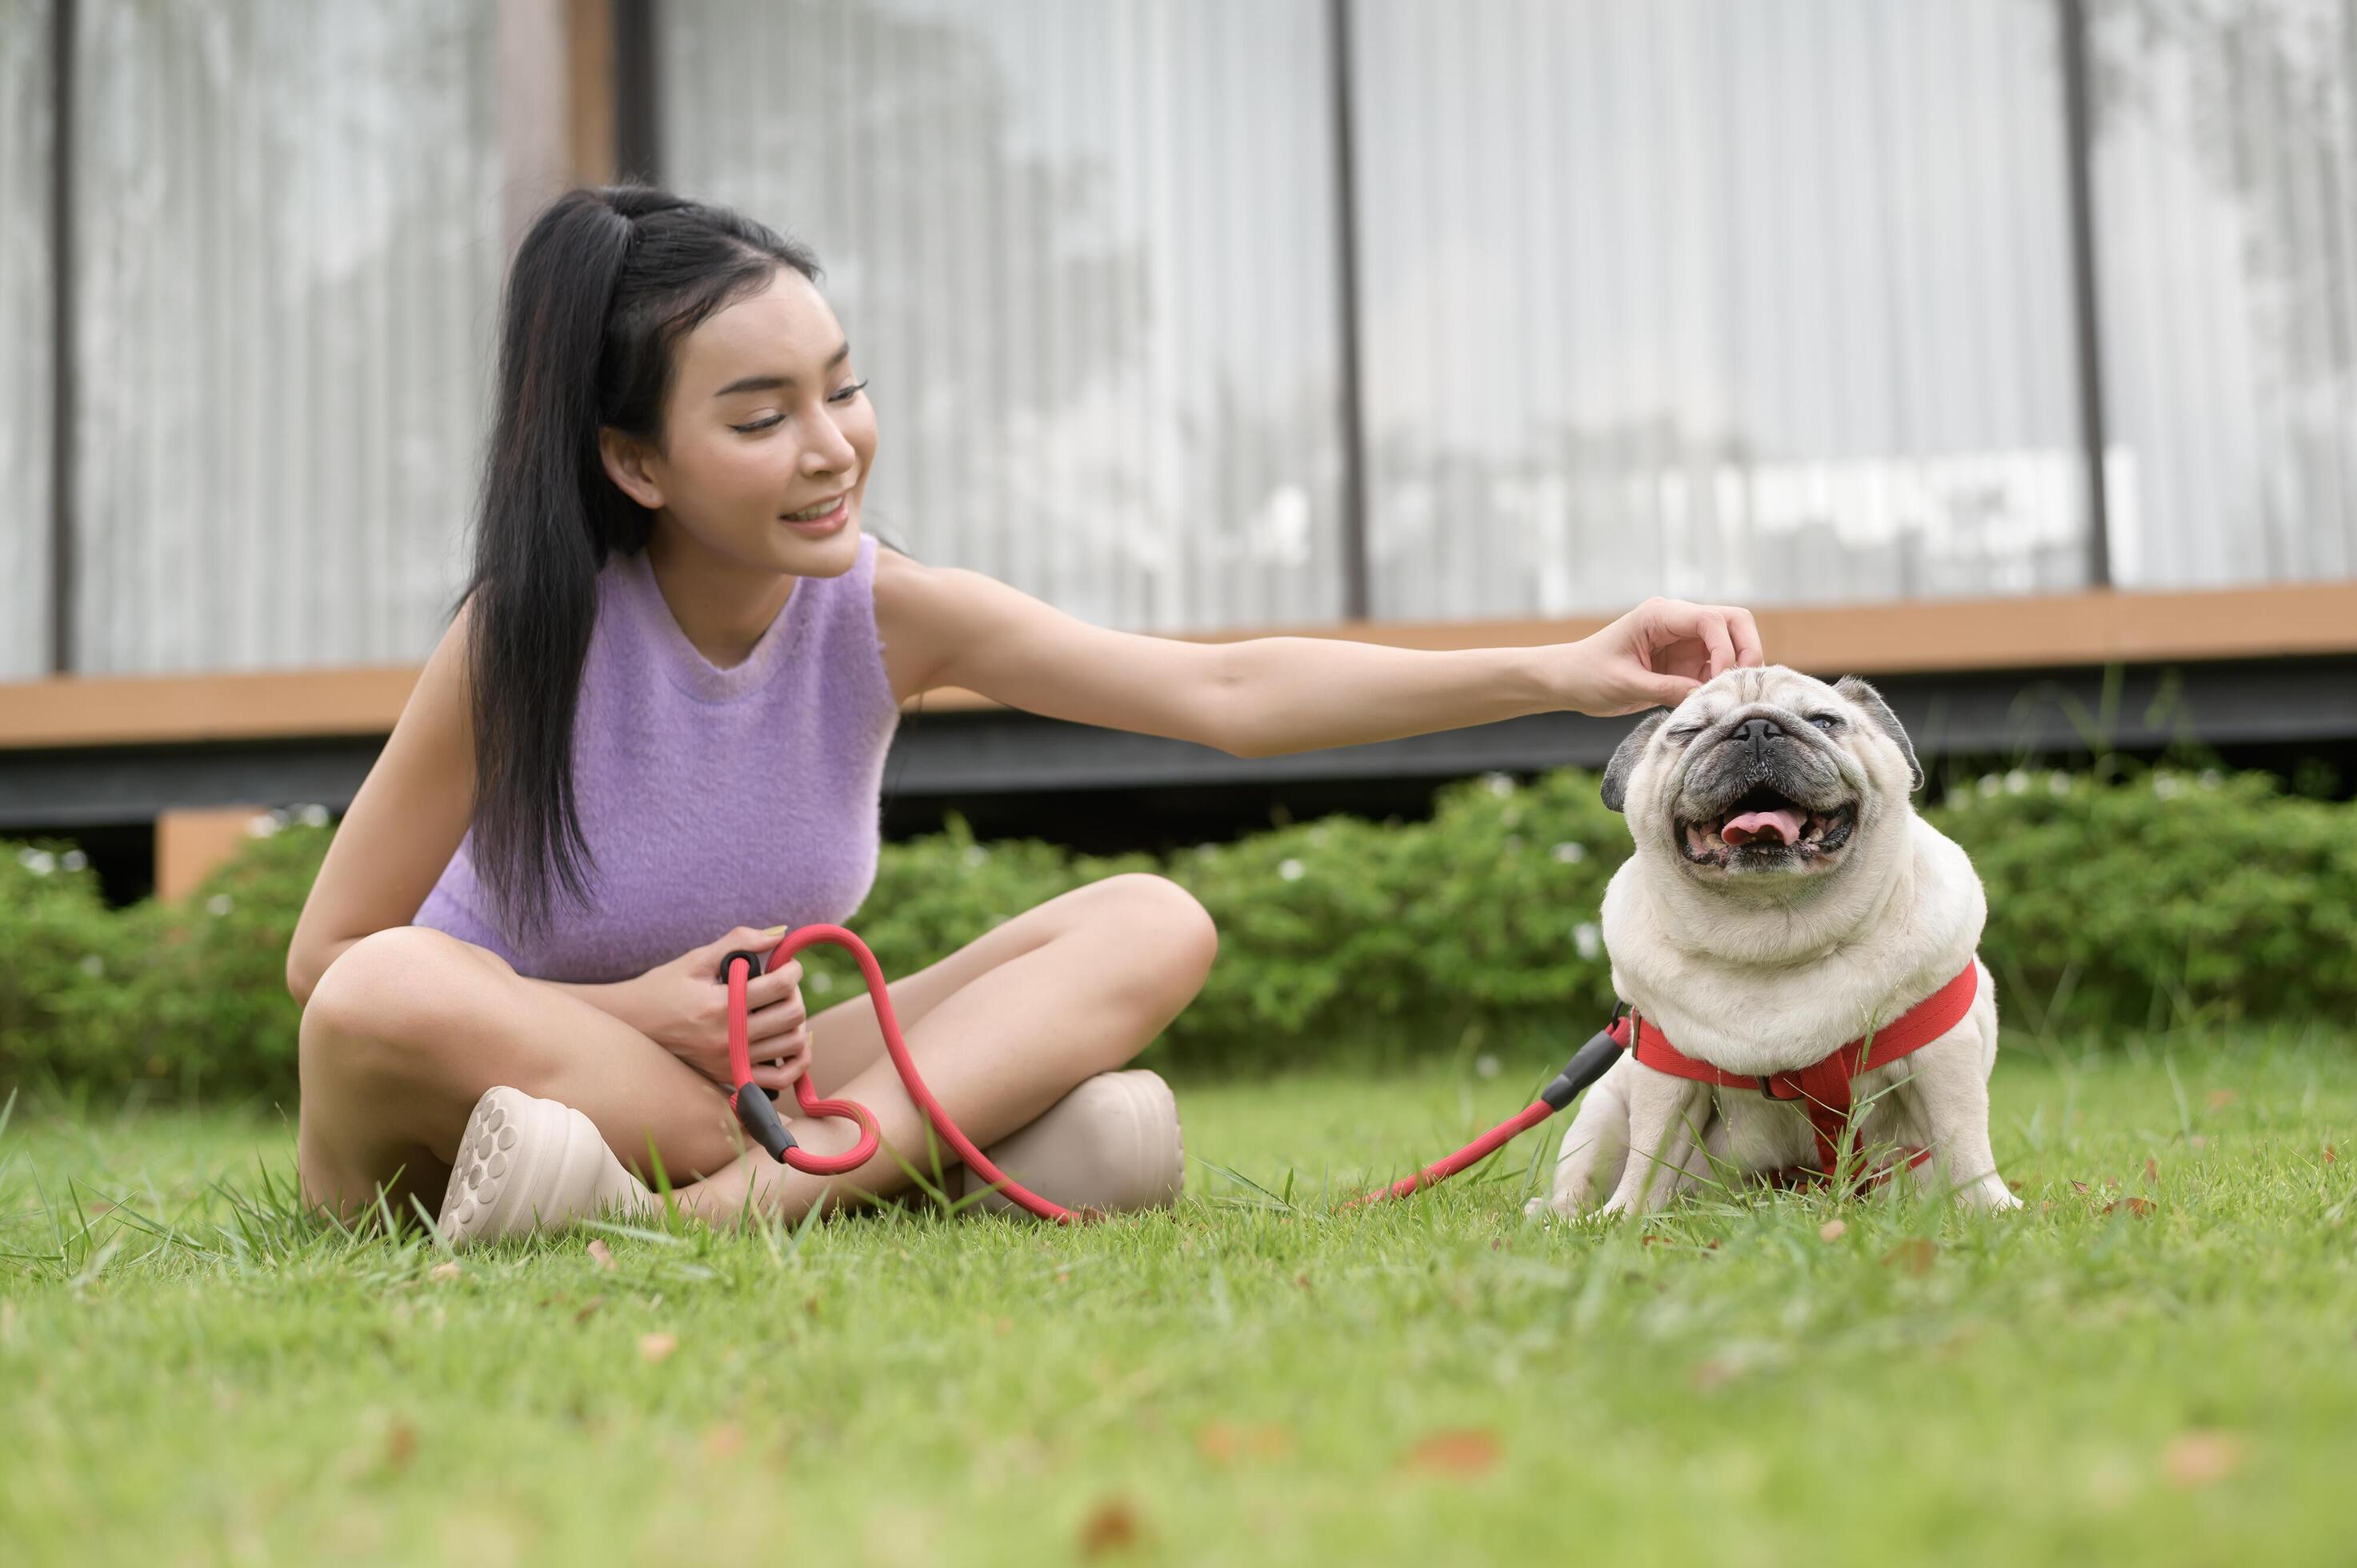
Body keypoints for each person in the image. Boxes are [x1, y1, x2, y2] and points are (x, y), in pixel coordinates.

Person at [285, 187, 1766, 1242]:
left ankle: (749, 1204)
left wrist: (1559, 670)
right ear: (635, 463)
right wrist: (620, 1015)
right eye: (757, 418)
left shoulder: (880, 610)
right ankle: (885, 1175)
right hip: (482, 1098)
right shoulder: (521, 640)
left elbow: (1222, 693)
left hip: (759, 1108)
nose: (829, 449)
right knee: (380, 997)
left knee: (1148, 920)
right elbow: (328, 959)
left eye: (842, 390)